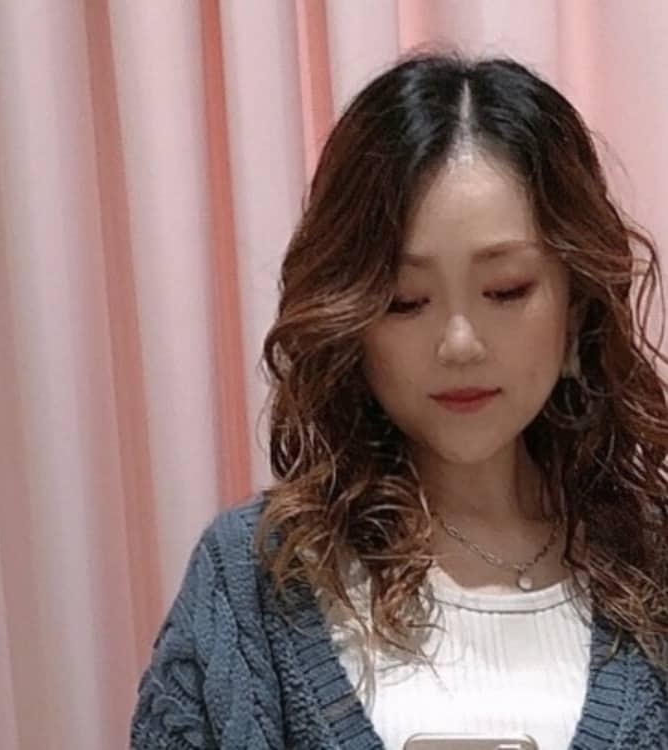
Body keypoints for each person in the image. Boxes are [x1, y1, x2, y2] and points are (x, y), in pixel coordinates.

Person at [130, 50, 668, 750]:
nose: (459, 343)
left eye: (506, 290)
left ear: (577, 307)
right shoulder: (251, 583)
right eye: (405, 300)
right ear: (350, 320)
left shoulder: (653, 566)